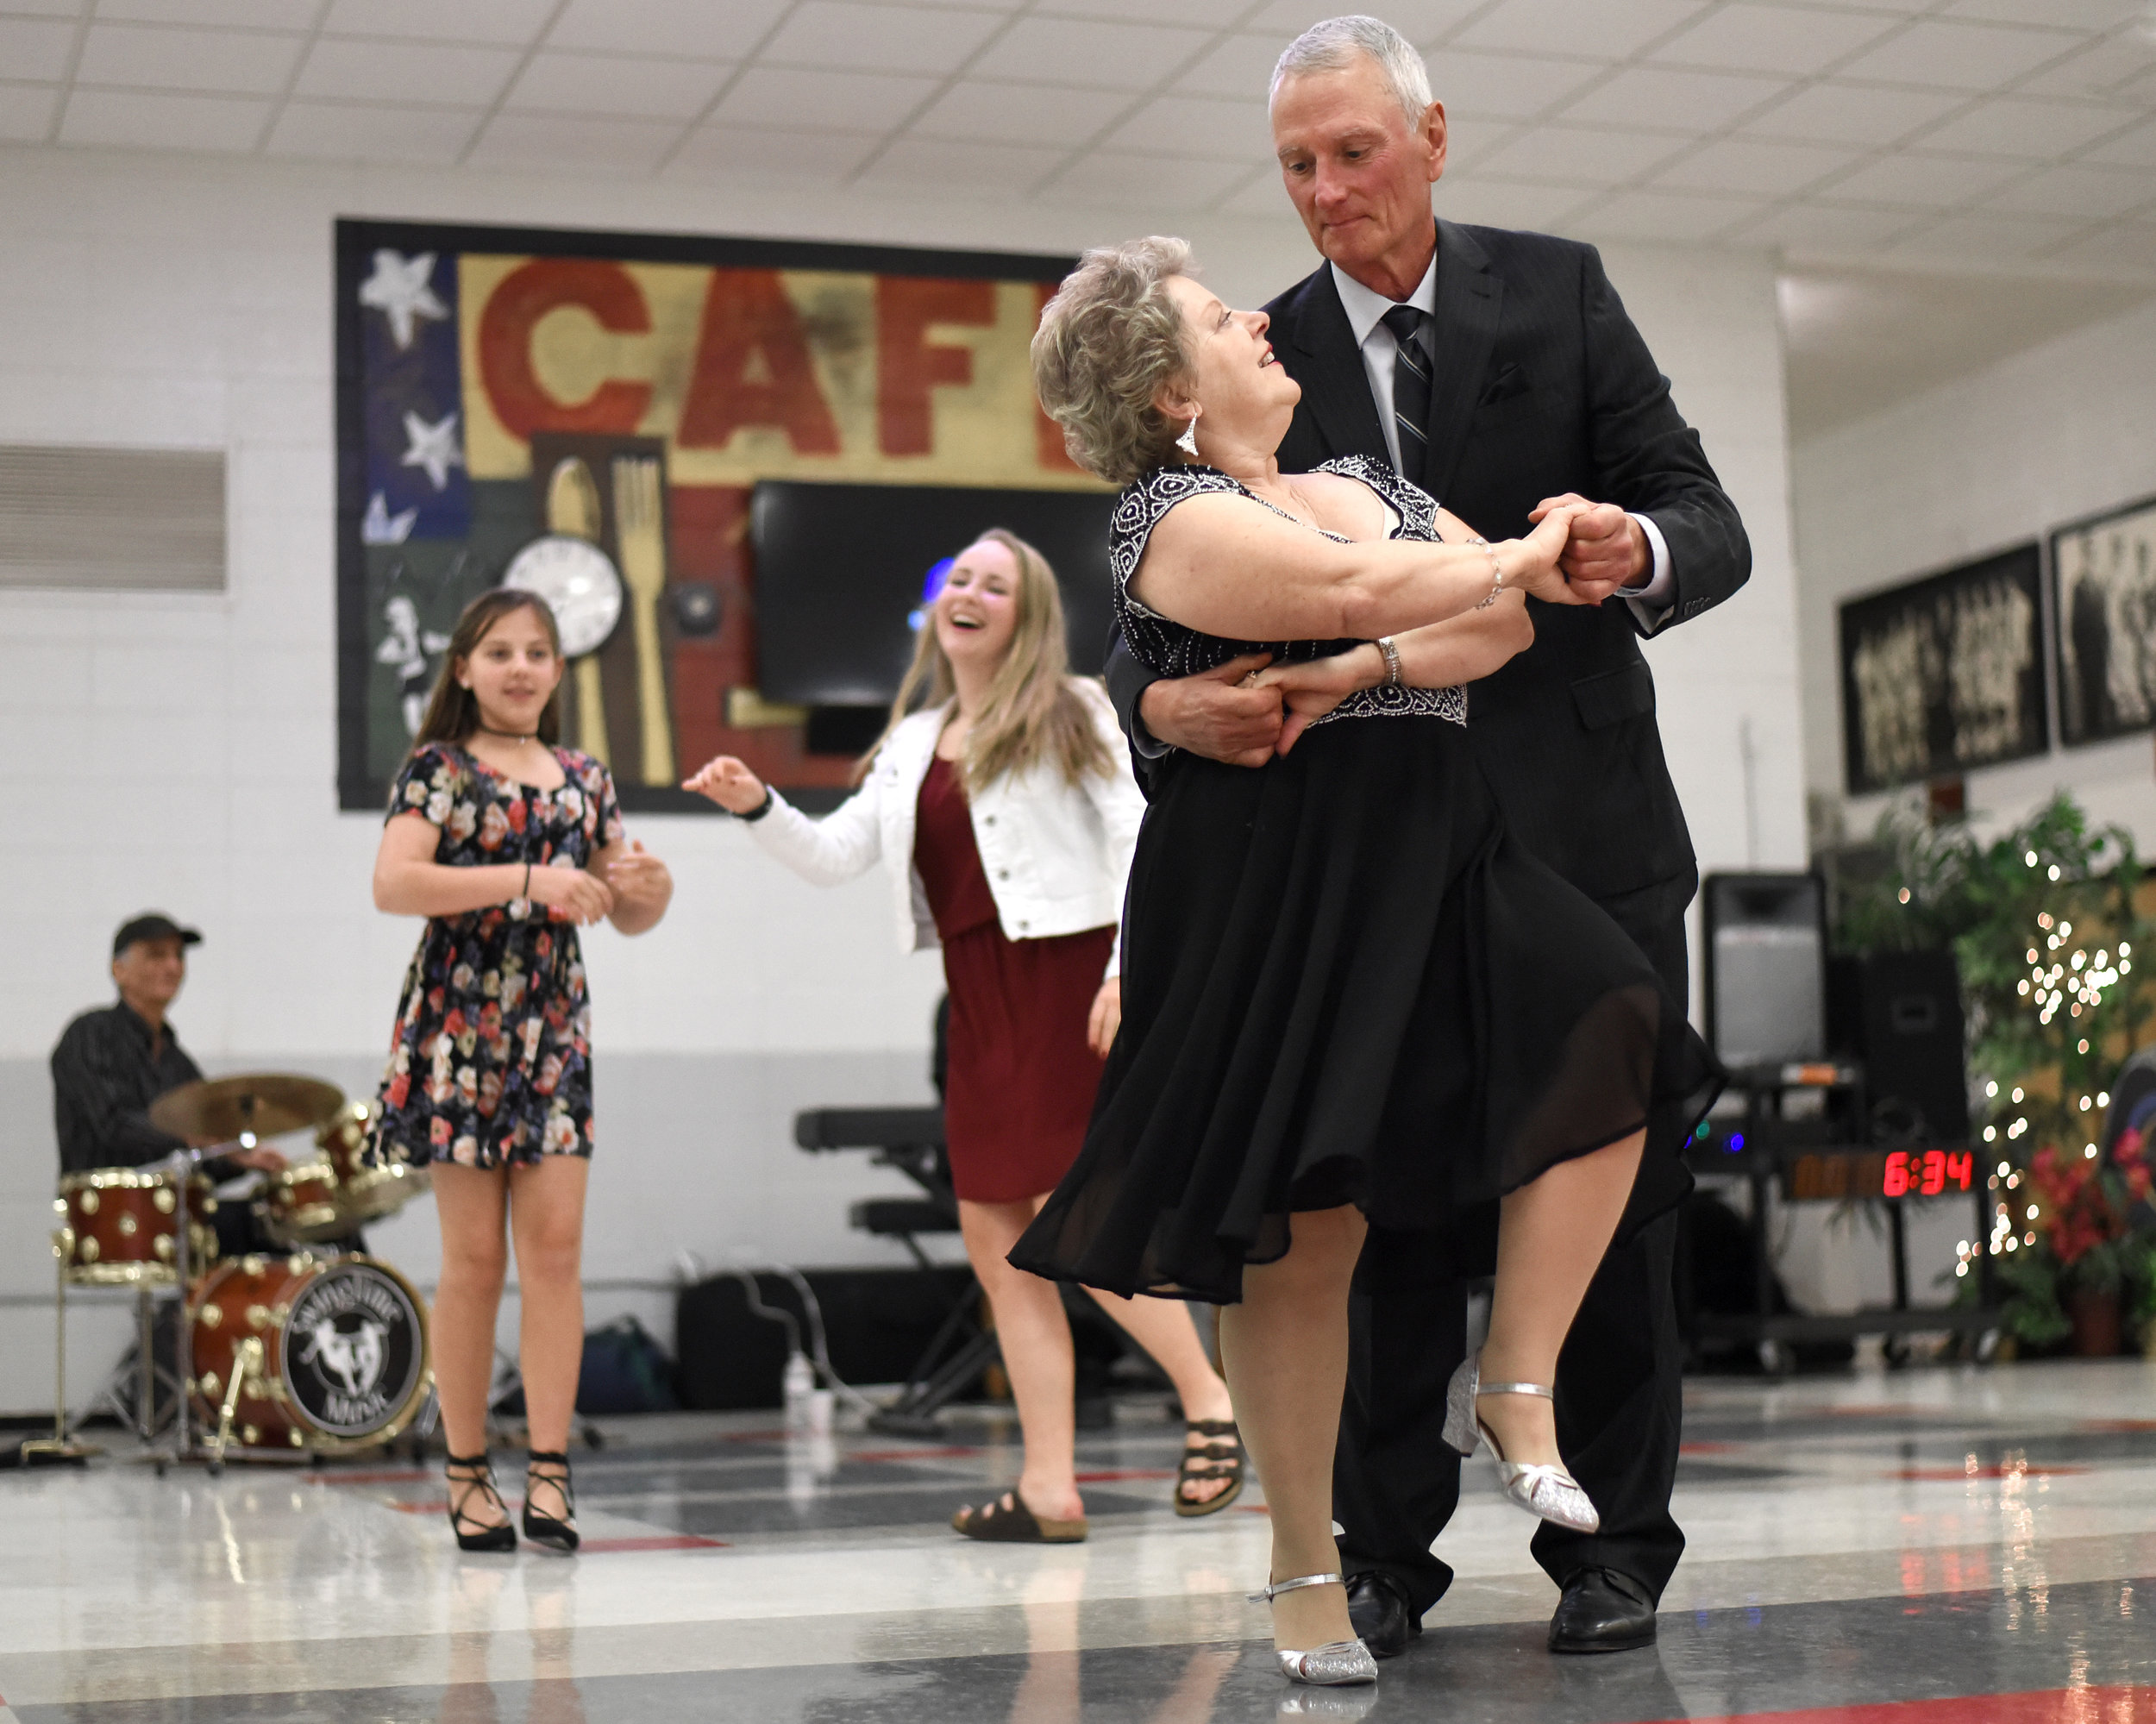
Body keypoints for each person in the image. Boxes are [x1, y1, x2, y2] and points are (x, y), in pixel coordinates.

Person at [1101, 16, 1752, 1660]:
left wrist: (1627, 547)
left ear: (1433, 138)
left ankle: (1613, 1548)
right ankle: (1375, 1554)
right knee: (1364, 1202)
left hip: (1578, 821)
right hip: (1360, 849)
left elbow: (1704, 515)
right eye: (1298, 166)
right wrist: (1158, 712)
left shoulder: (1561, 290)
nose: (1325, 191)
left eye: (1355, 153)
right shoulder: (1265, 353)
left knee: (1618, 1162)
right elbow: (1174, 601)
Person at [684, 530, 1245, 1540]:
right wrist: (756, 804)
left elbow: (1141, 840)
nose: (972, 593)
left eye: (997, 583)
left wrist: (1130, 971)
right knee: (1000, 1254)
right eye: (959, 580)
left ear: (1025, 614)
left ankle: (1211, 1400)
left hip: (1070, 986)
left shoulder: (1072, 708)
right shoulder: (909, 742)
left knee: (1076, 1226)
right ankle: (1047, 1487)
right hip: (977, 1001)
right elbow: (832, 855)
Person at [368, 587, 674, 1554]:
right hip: (459, 1024)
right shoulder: (439, 769)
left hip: (552, 1029)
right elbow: (395, 882)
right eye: (498, 651)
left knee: (554, 1254)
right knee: (473, 1260)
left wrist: (646, 894)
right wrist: (528, 880)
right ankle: (466, 1474)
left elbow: (619, 909)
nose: (520, 668)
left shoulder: (585, 776)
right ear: (463, 668)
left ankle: (547, 1470)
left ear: (557, 668)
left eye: (537, 651)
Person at [51, 913, 291, 1257]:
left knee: (286, 1220)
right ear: (119, 971)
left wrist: (239, 1159)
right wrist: (197, 1139)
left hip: (175, 1215)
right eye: (156, 955)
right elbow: (114, 1125)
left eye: (178, 956)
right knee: (257, 1227)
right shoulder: (89, 1034)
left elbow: (198, 1160)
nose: (173, 966)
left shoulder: (178, 1062)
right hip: (109, 1217)